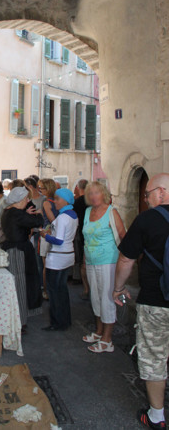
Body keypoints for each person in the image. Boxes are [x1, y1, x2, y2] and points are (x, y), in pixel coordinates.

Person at [113, 173, 169, 430]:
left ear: (161, 193)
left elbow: (126, 259)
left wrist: (119, 288)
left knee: (155, 356)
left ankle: (156, 416)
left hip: (157, 301)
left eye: (147, 194)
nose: (145, 200)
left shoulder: (147, 220)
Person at [82, 181, 126, 353]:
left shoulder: (111, 212)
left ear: (104, 194)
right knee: (95, 297)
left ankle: (108, 340)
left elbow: (123, 236)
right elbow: (86, 238)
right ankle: (99, 332)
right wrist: (85, 260)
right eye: (90, 193)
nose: (93, 196)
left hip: (108, 260)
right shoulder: (87, 212)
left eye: (96, 193)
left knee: (107, 299)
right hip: (92, 261)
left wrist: (125, 261)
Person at [1, 187, 44, 331]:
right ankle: (19, 321)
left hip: (14, 249)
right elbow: (38, 221)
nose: (28, 201)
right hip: (17, 251)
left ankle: (16, 318)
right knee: (19, 284)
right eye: (26, 198)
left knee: (18, 283)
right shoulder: (16, 214)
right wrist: (37, 215)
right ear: (19, 200)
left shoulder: (11, 212)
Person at [41, 188, 78, 331]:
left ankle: (57, 322)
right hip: (68, 255)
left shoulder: (63, 218)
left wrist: (45, 236)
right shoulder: (73, 215)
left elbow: (59, 240)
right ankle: (65, 320)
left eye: (57, 199)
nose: (55, 201)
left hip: (58, 257)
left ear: (65, 201)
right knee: (62, 289)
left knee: (54, 290)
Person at [38, 178, 59, 300]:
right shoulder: (56, 201)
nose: (40, 190)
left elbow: (53, 221)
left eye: (42, 188)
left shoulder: (46, 202)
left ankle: (46, 291)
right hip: (54, 234)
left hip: (48, 234)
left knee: (46, 265)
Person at [73, 179, 90, 299]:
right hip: (89, 234)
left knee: (83, 263)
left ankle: (86, 288)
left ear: (79, 188)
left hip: (81, 233)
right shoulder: (91, 202)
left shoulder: (77, 202)